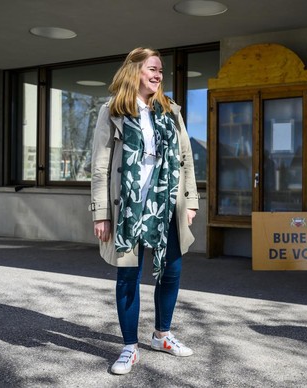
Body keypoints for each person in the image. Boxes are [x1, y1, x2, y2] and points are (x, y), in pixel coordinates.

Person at [90, 47, 199, 375]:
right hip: (128, 205)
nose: (158, 75)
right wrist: (100, 212)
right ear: (134, 70)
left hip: (167, 201)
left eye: (161, 71)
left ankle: (162, 335)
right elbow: (100, 165)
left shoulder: (170, 109)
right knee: (128, 275)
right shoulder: (112, 110)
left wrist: (191, 200)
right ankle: (129, 347)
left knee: (172, 269)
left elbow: (186, 156)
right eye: (152, 68)